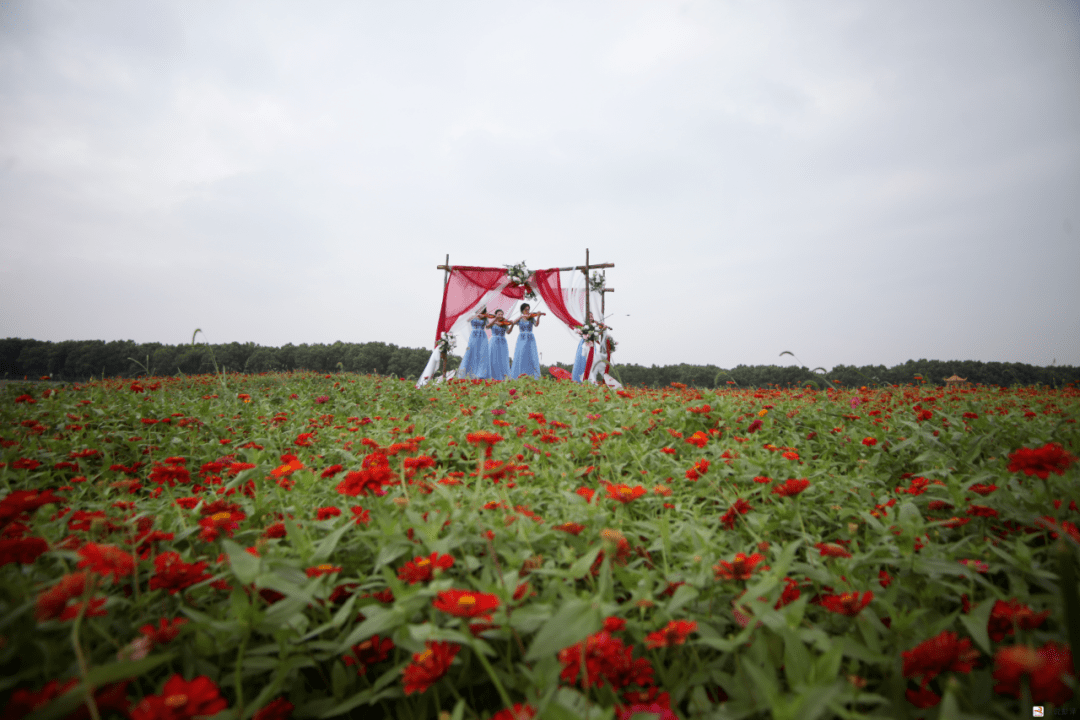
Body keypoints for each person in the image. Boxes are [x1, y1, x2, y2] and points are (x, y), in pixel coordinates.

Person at [458, 306, 491, 379]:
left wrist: (490, 318)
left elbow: (488, 327)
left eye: (482, 309)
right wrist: (477, 315)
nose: (481, 310)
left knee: (482, 353)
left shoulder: (485, 317)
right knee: (471, 351)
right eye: (479, 308)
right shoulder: (472, 315)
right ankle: (466, 373)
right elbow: (467, 320)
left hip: (482, 335)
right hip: (474, 334)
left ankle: (481, 373)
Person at [511, 303, 542, 379]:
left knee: (531, 355)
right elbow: (513, 323)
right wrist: (521, 316)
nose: (528, 311)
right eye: (526, 309)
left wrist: (538, 316)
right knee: (521, 355)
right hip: (521, 337)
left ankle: (532, 375)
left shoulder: (531, 318)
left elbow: (536, 324)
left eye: (528, 309)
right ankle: (519, 374)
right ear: (522, 310)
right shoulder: (520, 318)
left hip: (530, 337)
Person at [485, 309, 513, 380]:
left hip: (503, 342)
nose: (500, 315)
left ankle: (503, 376)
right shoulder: (493, 322)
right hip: (494, 341)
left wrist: (512, 325)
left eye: (502, 314)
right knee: (493, 358)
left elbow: (508, 332)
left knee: (502, 359)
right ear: (496, 315)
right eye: (499, 314)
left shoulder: (504, 323)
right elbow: (487, 326)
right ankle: (492, 376)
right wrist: (495, 320)